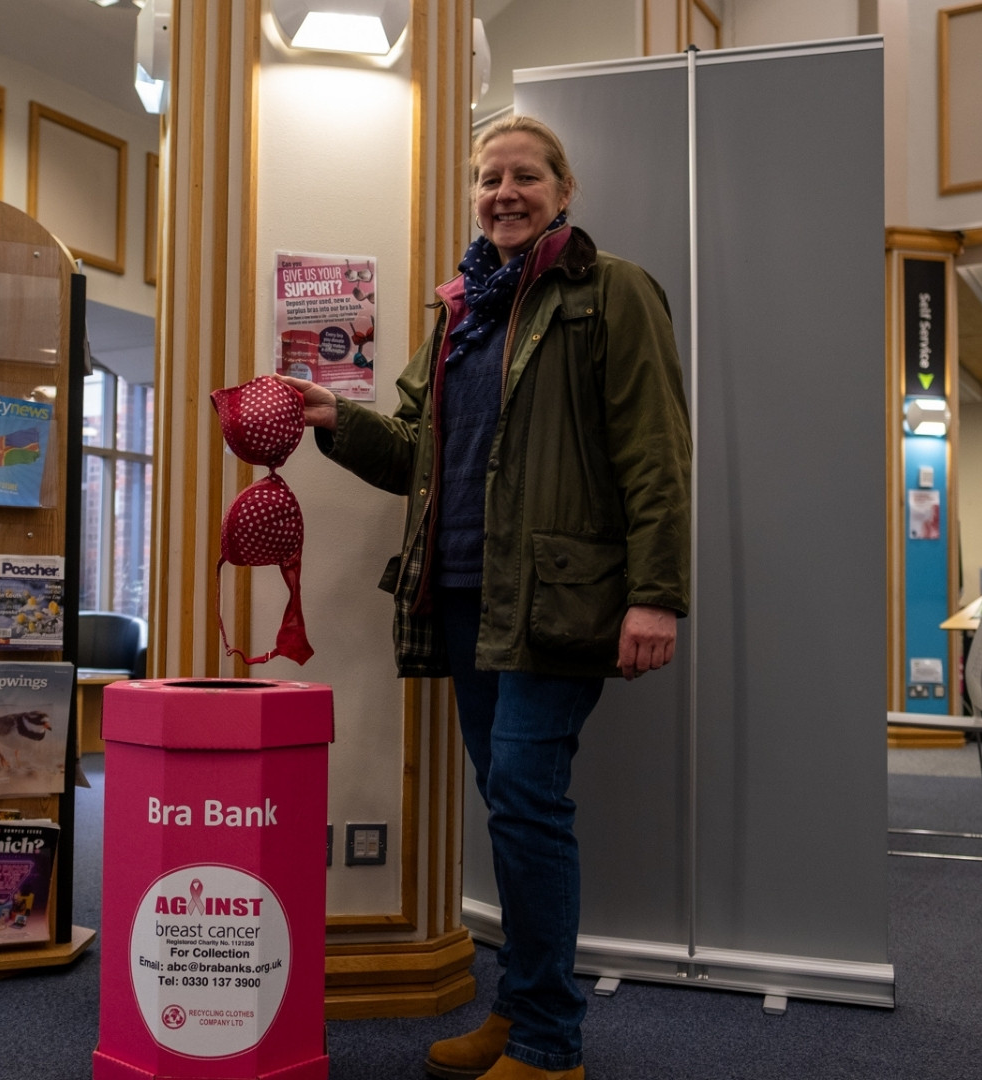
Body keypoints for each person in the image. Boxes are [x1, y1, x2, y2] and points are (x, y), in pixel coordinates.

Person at [281, 115, 690, 1080]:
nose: (504, 192)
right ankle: (519, 1013)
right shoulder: (461, 310)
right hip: (461, 595)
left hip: (560, 599)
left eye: (525, 176)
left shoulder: (611, 290)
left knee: (526, 801)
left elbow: (655, 452)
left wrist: (656, 595)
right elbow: (417, 451)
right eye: (488, 178)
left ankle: (550, 1044)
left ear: (563, 187)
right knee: (512, 806)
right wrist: (336, 420)